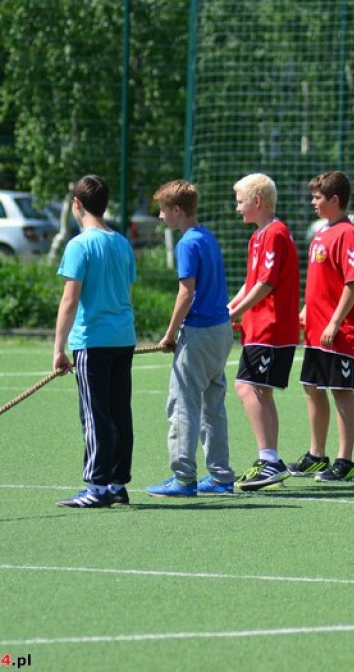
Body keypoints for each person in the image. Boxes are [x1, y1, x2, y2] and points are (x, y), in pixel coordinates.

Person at [145, 180, 236, 498]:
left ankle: (184, 479)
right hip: (222, 331)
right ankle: (221, 477)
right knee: (213, 406)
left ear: (177, 210)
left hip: (199, 333)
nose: (160, 216)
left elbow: (186, 293)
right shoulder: (207, 237)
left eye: (163, 210)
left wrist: (169, 334)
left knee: (182, 404)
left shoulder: (187, 244)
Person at [53, 175, 137, 508]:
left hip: (92, 339)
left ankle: (98, 486)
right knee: (119, 411)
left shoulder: (79, 245)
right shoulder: (122, 243)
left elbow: (69, 300)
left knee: (95, 413)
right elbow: (127, 293)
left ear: (77, 204)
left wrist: (58, 348)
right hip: (123, 338)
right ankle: (117, 484)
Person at [287, 171, 354, 482]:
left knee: (341, 390)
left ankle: (346, 463)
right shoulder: (321, 233)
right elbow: (322, 282)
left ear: (335, 200)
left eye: (317, 197)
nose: (313, 202)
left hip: (340, 332)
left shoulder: (349, 234)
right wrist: (307, 311)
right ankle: (317, 456)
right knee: (311, 386)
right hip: (316, 330)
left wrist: (335, 322)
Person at [227, 173, 299, 491]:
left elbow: (266, 284)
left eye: (240, 202)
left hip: (271, 328)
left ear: (257, 201)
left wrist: (236, 312)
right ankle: (271, 460)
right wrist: (229, 309)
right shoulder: (258, 236)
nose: (237, 208)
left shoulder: (274, 233)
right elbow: (251, 282)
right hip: (259, 328)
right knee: (261, 391)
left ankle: (268, 461)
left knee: (245, 387)